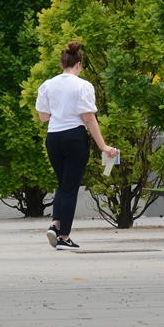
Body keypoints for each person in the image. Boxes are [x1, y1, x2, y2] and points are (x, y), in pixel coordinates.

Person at [35, 40, 116, 251]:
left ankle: (55, 224)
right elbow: (88, 118)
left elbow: (43, 117)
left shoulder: (48, 85)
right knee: (70, 187)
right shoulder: (83, 86)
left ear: (63, 64)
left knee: (63, 183)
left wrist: (59, 109)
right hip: (74, 137)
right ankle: (64, 236)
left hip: (53, 137)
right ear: (78, 64)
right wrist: (103, 146)